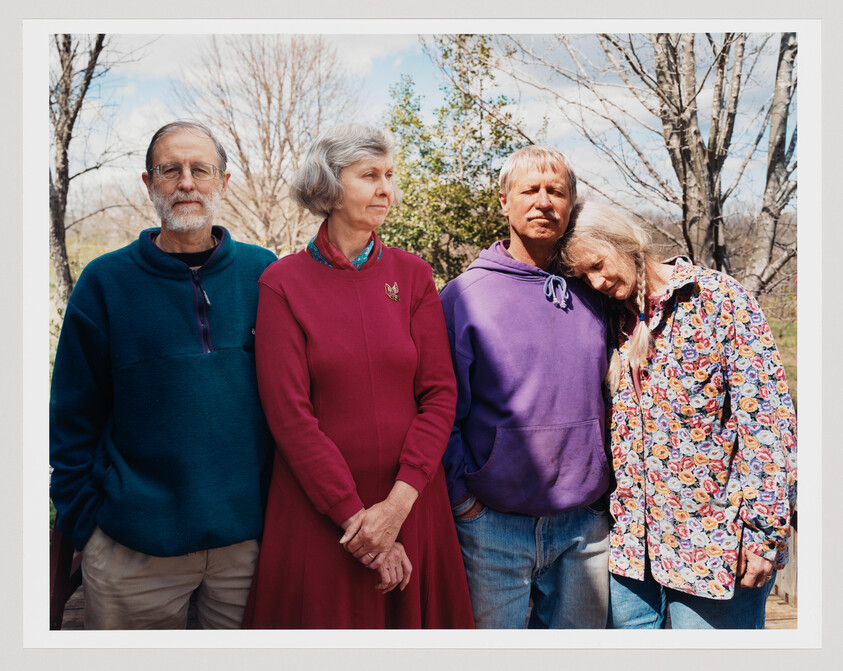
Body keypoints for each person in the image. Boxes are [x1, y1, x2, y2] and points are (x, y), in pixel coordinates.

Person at [241, 123, 474, 629]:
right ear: (329, 185)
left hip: (412, 503)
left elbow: (439, 395)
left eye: (389, 175)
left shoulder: (413, 274)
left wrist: (397, 506)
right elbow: (288, 415)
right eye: (369, 175)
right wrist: (361, 525)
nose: (385, 189)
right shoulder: (282, 283)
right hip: (320, 513)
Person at [49, 120, 277, 629]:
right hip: (134, 550)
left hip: (248, 546)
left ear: (224, 181)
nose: (186, 182)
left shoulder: (263, 274)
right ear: (149, 183)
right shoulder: (105, 282)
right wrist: (88, 525)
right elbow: (71, 415)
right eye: (170, 170)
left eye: (201, 169)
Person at [555, 199, 797, 629]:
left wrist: (765, 535)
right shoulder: (608, 319)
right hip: (630, 554)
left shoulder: (718, 299)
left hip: (714, 550)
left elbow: (768, 425)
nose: (596, 282)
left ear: (623, 241)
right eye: (583, 276)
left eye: (597, 265)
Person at [438, 145, 612, 629]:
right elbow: (439, 407)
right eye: (529, 190)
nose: (543, 202)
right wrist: (462, 500)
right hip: (492, 525)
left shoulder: (595, 289)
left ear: (571, 204)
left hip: (585, 525)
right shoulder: (465, 296)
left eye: (556, 191)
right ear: (504, 201)